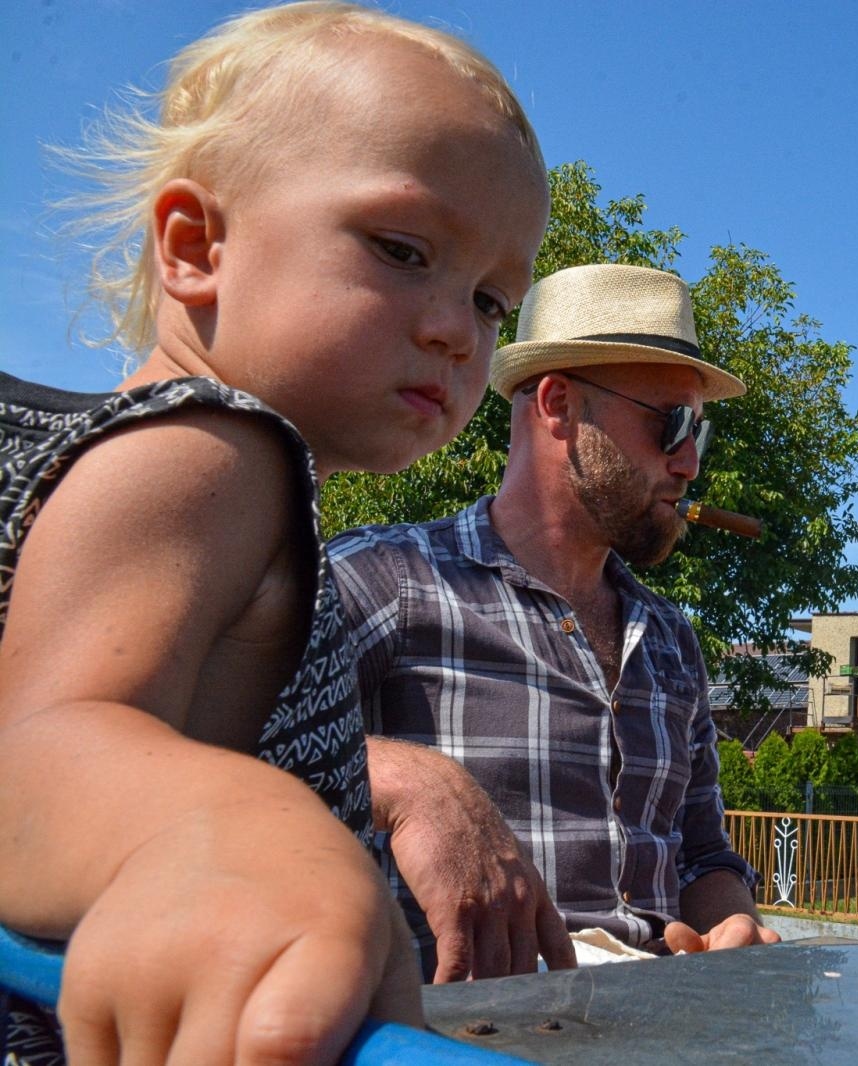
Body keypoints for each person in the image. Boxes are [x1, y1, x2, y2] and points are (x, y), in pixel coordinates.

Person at [0, 3, 550, 1063]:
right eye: (401, 248)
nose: (453, 327)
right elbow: (30, 753)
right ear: (197, 244)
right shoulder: (217, 448)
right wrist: (212, 832)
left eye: (490, 299)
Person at [329, 262, 780, 979]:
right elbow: (212, 748)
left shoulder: (670, 640)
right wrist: (405, 780)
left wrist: (733, 922)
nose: (691, 463)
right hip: (461, 1041)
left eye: (702, 432)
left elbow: (701, 854)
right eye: (673, 424)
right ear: (560, 405)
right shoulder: (384, 581)